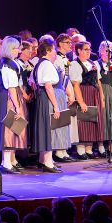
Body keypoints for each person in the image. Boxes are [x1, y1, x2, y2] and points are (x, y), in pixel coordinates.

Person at [0, 36, 29, 173]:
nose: (18, 51)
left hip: (13, 95)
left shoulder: (11, 62)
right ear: (10, 49)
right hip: (8, 97)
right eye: (16, 48)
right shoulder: (6, 64)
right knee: (10, 128)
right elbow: (11, 87)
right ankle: (6, 163)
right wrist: (18, 107)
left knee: (15, 128)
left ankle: (11, 160)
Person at [31, 41, 69, 172]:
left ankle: (43, 160)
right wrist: (56, 106)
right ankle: (47, 162)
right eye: (53, 50)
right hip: (47, 98)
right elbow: (48, 86)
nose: (55, 52)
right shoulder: (46, 64)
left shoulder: (40, 64)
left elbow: (33, 83)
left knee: (45, 127)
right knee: (48, 128)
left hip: (42, 97)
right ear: (47, 51)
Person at [70, 41, 106, 158]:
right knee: (83, 120)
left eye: (89, 49)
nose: (88, 51)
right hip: (83, 92)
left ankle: (89, 149)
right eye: (85, 49)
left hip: (94, 93)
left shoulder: (93, 63)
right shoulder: (75, 64)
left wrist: (102, 97)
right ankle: (81, 149)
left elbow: (98, 81)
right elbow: (75, 84)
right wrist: (81, 102)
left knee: (92, 120)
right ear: (79, 51)